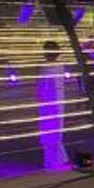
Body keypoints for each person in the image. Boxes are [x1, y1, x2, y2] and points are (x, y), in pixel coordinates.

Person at [36, 39, 69, 172]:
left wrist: (41, 96)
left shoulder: (49, 67)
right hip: (55, 101)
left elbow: (45, 85)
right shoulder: (58, 66)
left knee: (51, 132)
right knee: (53, 132)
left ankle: (54, 161)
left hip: (51, 102)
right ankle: (58, 159)